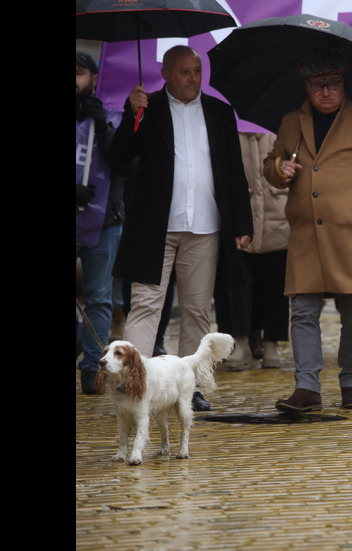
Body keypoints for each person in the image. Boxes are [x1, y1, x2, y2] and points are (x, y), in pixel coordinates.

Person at [112, 45, 253, 412]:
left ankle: (189, 387)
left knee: (196, 310)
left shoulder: (220, 113)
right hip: (154, 226)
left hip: (205, 224)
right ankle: (134, 382)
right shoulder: (147, 108)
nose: (194, 78)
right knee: (146, 306)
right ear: (166, 74)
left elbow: (233, 172)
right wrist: (132, 115)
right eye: (185, 72)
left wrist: (242, 223)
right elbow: (119, 156)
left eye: (197, 71)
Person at [265, 61, 352, 412]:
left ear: (344, 83)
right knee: (303, 311)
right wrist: (279, 170)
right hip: (306, 233)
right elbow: (272, 164)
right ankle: (307, 386)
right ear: (306, 87)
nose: (325, 91)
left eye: (333, 83)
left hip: (351, 232)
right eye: (317, 84)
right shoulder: (291, 122)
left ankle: (351, 380)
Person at [214, 132, 290, 370]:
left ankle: (271, 344)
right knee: (237, 284)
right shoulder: (229, 128)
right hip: (240, 217)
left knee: (276, 287)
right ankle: (240, 342)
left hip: (279, 216)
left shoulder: (282, 126)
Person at [76, 51, 124, 394]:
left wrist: (104, 129)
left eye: (78, 73)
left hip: (104, 220)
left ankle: (93, 366)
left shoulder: (108, 115)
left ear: (93, 78)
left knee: (99, 298)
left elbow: (126, 163)